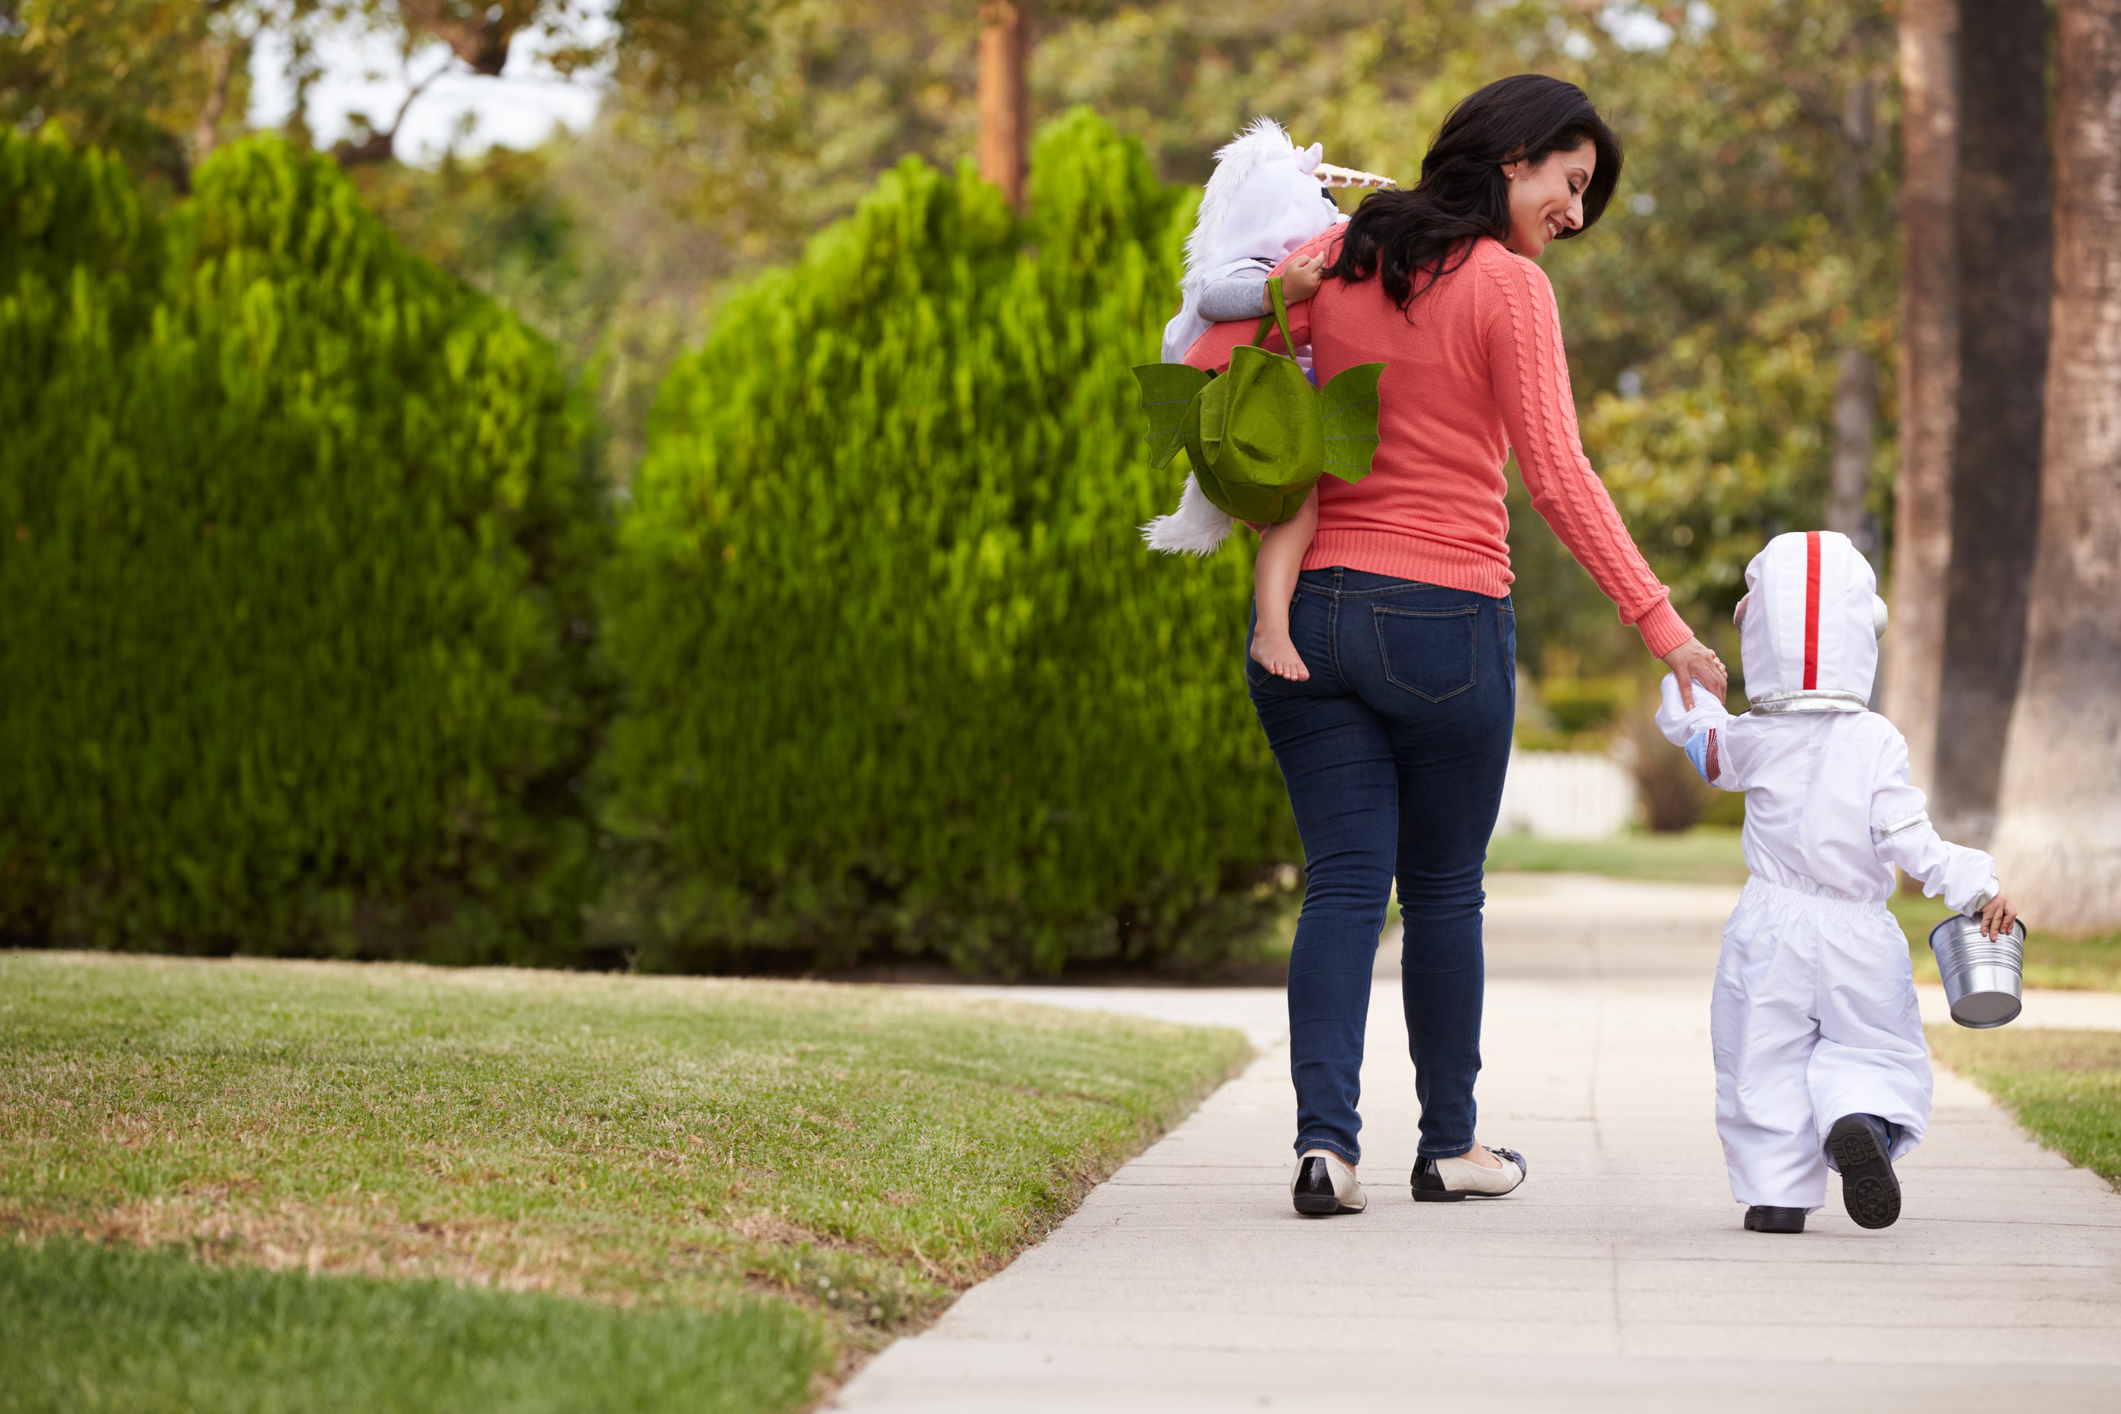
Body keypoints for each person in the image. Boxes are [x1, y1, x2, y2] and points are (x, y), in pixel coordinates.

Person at [1180, 73, 1728, 1217]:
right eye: (1571, 185)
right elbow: (1558, 474)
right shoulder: (1509, 289)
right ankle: (1451, 1145)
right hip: (1445, 619)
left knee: (1340, 887)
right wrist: (1660, 622)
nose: (1575, 215)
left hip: (1312, 610)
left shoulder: (1337, 253)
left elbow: (1219, 342)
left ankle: (1326, 1148)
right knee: (1440, 894)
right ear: (1515, 156)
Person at [1654, 530, 2015, 1234]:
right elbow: (1909, 838)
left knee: (1761, 1055)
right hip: (1858, 933)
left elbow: (1703, 745)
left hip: (1768, 928)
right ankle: (1862, 1119)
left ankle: (1776, 1197)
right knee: (1871, 1045)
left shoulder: (1754, 736)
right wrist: (1975, 885)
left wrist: (1684, 688)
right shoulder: (1876, 738)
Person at [1141, 118, 1383, 684]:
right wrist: (1279, 290)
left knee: (1303, 515)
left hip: (1290, 408)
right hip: (1257, 413)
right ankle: (1271, 627)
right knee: (1298, 516)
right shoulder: (1245, 264)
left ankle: (1274, 622)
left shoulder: (1301, 256)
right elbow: (1213, 300)